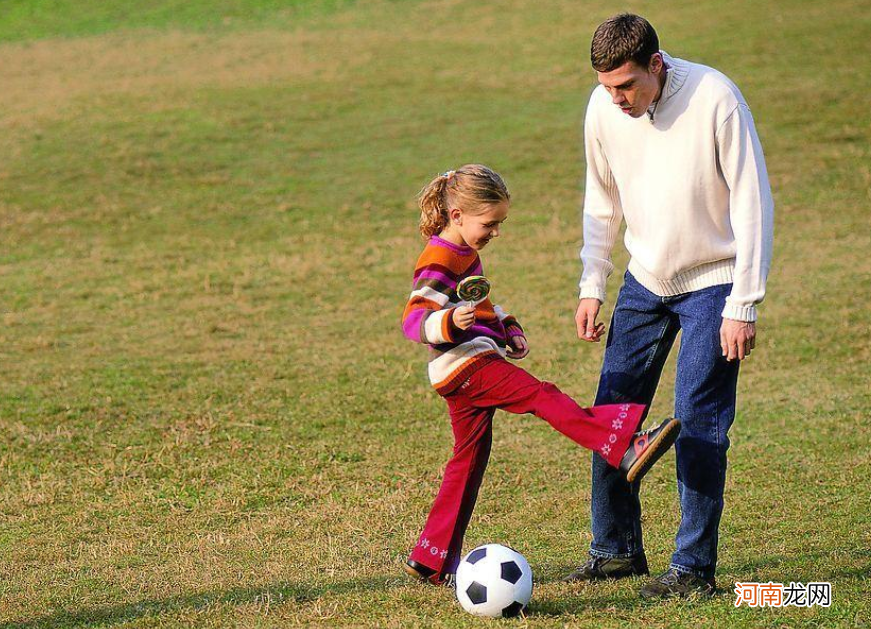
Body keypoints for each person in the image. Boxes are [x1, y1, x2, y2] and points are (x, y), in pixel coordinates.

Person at [566, 14, 774, 598]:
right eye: (607, 87)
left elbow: (753, 203)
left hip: (716, 282)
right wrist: (592, 283)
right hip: (645, 280)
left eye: (626, 86)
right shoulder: (603, 108)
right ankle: (614, 551)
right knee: (611, 416)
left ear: (656, 64)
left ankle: (693, 569)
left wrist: (744, 303)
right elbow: (600, 198)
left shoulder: (715, 97)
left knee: (700, 422)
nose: (617, 99)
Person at [400, 163, 681, 586]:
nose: (496, 232)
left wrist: (507, 327)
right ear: (457, 216)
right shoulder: (439, 256)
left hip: (466, 367)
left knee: (468, 459)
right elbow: (413, 317)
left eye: (500, 223)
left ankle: (431, 556)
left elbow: (480, 304)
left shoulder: (465, 253)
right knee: (540, 394)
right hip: (465, 365)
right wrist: (447, 325)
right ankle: (622, 445)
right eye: (489, 224)